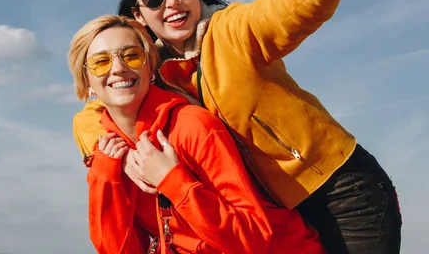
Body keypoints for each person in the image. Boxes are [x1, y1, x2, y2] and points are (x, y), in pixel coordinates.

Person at [73, 0, 402, 253]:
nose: (172, 2)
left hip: (341, 193)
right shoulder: (148, 73)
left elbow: (280, 12)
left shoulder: (230, 31)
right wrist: (120, 154)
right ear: (138, 15)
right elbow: (92, 114)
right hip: (275, 215)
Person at [68, 15, 325, 254]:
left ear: (151, 69)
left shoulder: (194, 125)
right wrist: (105, 179)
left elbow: (253, 238)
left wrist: (173, 180)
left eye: (132, 56)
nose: (118, 68)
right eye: (101, 62)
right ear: (87, 81)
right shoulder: (110, 153)